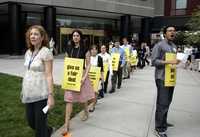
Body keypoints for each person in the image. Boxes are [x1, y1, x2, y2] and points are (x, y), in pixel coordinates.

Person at [21, 25, 54, 137]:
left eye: (36, 34)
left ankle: (44, 132)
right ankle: (48, 130)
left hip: (42, 93)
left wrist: (50, 96)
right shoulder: (28, 52)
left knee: (39, 126)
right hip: (29, 92)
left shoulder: (46, 52)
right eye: (31, 34)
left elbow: (49, 75)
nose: (33, 36)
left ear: (42, 37)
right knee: (31, 122)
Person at [62, 30, 95, 135]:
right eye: (74, 35)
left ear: (80, 37)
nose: (75, 37)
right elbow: (66, 62)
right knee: (69, 100)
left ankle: (86, 112)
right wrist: (66, 75)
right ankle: (66, 125)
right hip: (71, 76)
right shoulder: (68, 48)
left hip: (81, 76)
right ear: (72, 37)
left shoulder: (85, 49)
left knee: (83, 98)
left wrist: (84, 77)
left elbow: (89, 64)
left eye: (77, 35)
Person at [151, 26, 180, 137]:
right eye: (170, 31)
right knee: (162, 103)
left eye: (174, 31)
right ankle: (159, 128)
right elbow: (154, 61)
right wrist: (168, 61)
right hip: (161, 78)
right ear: (165, 33)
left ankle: (163, 122)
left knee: (167, 102)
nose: (172, 32)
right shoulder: (159, 45)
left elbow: (173, 61)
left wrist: (177, 61)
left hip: (171, 77)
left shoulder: (173, 46)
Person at [89, 45, 104, 112]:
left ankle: (93, 106)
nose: (93, 51)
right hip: (89, 78)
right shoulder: (88, 57)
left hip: (97, 78)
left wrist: (102, 77)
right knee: (90, 92)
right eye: (92, 49)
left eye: (95, 49)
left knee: (95, 92)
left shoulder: (99, 58)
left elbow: (102, 69)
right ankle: (94, 101)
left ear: (97, 51)